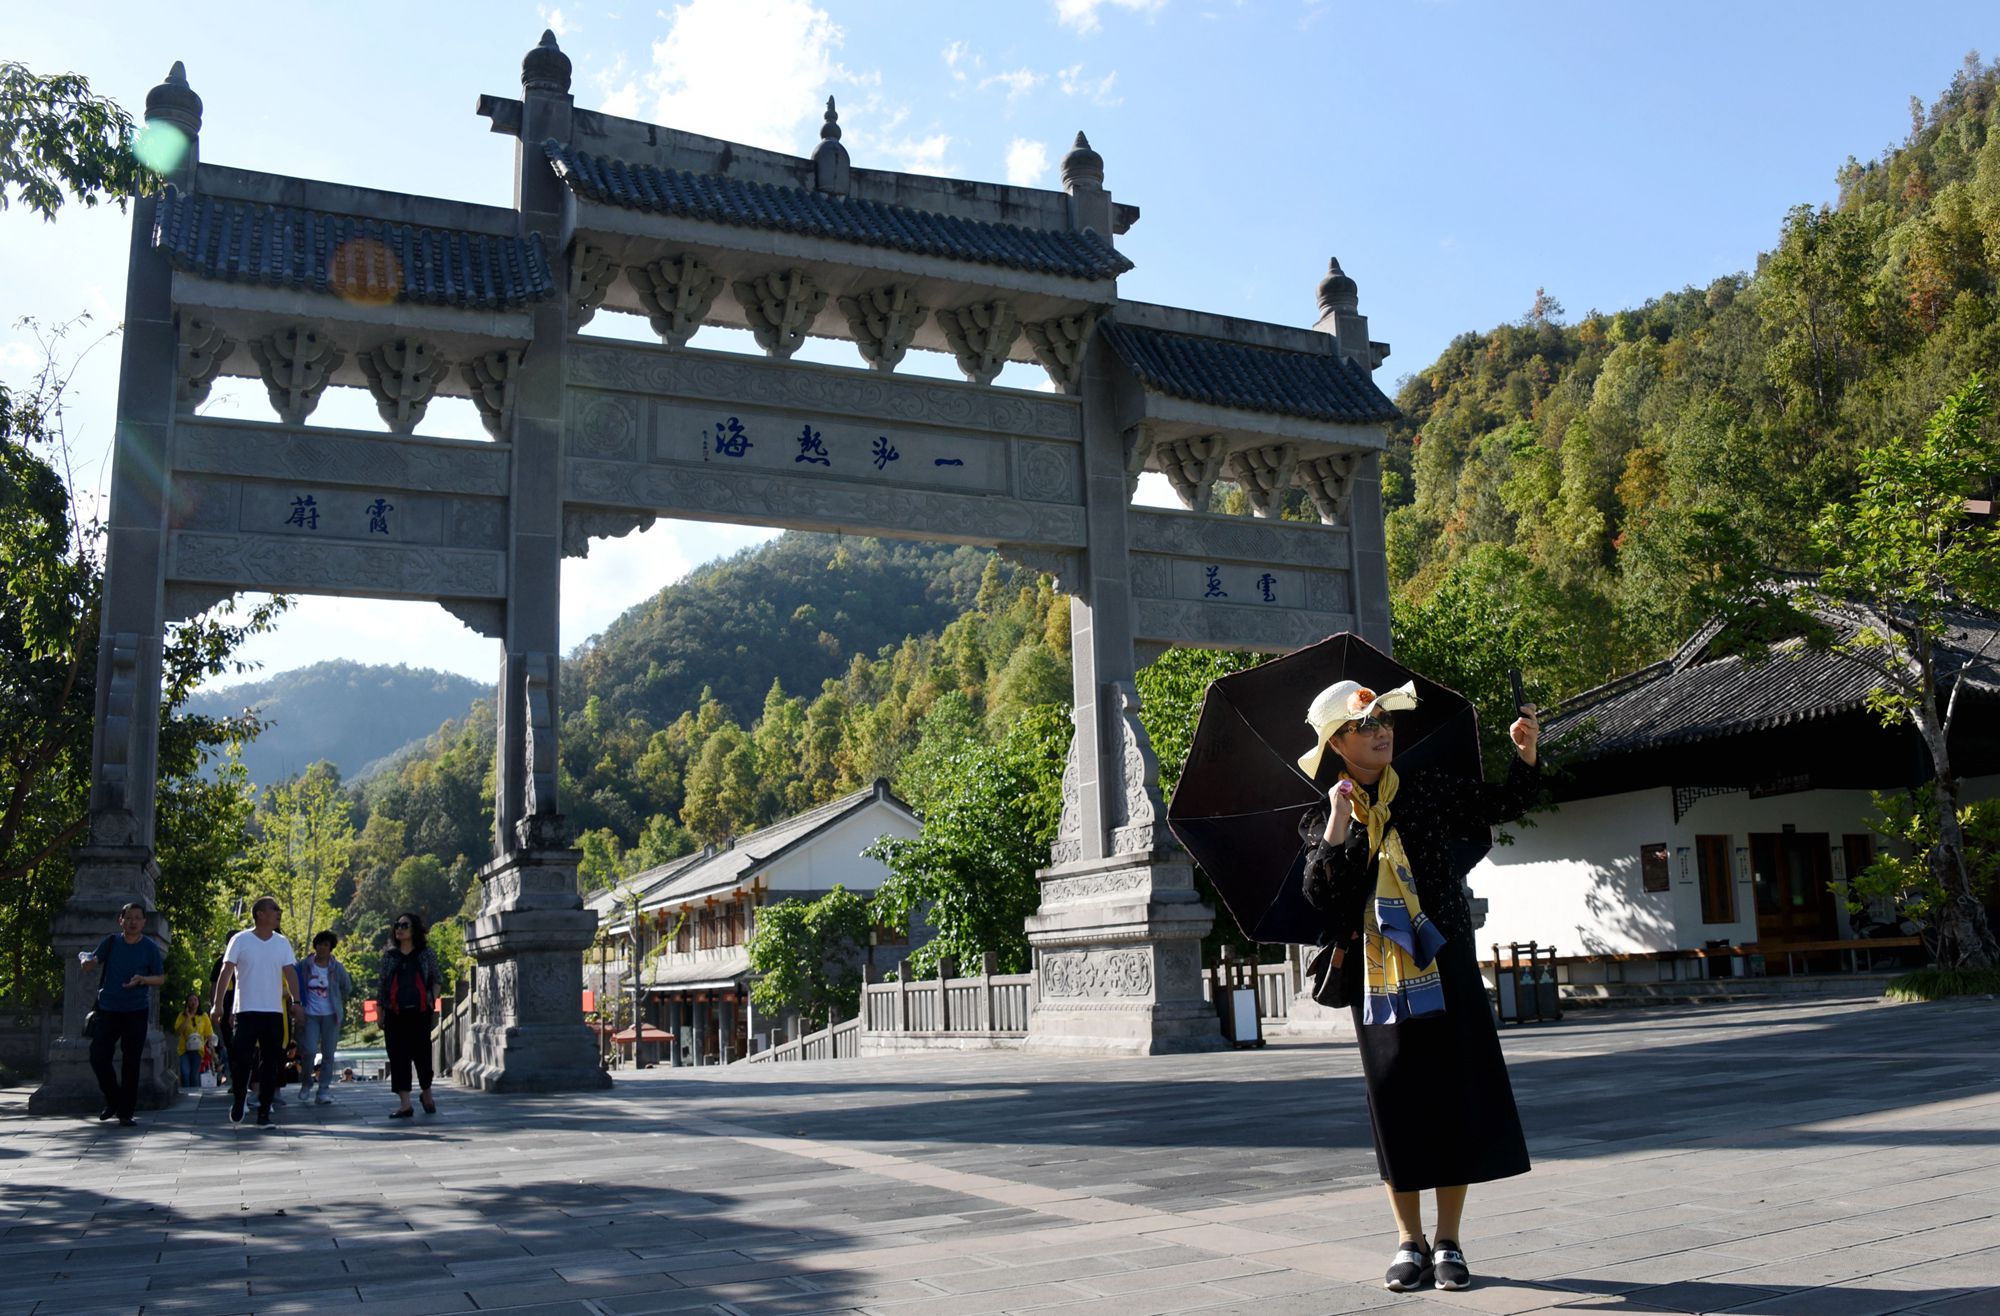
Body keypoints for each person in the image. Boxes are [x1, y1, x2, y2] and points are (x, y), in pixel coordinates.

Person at [1297, 679, 1542, 1294]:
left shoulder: (1427, 788)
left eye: (1384, 721)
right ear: (1337, 744)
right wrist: (1336, 821)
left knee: (1453, 1094)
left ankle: (1451, 1240)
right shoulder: (1322, 815)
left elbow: (1506, 804)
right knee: (1396, 1101)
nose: (1381, 731)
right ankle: (1409, 1240)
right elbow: (1321, 895)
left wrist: (1527, 751)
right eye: (1364, 726)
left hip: (1445, 960)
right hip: (1378, 978)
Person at [212, 897, 302, 1127]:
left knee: (271, 1063)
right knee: (242, 1061)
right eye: (275, 909)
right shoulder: (240, 940)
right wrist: (218, 1004)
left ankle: (264, 1111)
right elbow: (226, 972)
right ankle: (240, 1099)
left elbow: (291, 973)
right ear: (260, 914)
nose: (279, 912)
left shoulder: (282, 943)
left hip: (273, 1013)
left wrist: (297, 1001)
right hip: (246, 1011)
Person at [80, 902, 166, 1127]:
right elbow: (92, 960)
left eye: (137, 918)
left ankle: (126, 1112)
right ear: (121, 920)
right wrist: (86, 962)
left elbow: (160, 978)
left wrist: (143, 980)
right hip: (108, 1009)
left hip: (136, 1010)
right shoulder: (111, 942)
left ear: (144, 922)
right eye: (128, 918)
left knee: (131, 1062)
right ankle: (113, 1099)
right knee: (97, 1056)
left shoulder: (149, 947)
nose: (133, 922)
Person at [376, 912, 443, 1120]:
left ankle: (427, 1094)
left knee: (422, 1055)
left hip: (420, 1012)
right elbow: (382, 986)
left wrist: (433, 997)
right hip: (394, 1013)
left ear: (414, 928)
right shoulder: (390, 956)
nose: (399, 928)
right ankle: (405, 1105)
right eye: (397, 925)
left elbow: (436, 978)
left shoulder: (426, 953)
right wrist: (380, 1013)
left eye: (404, 925)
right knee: (398, 1058)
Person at [295, 930, 353, 1105]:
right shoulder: (304, 965)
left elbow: (347, 987)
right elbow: (294, 982)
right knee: (309, 1051)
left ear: (331, 948)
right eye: (319, 944)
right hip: (310, 1015)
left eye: (326, 945)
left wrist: (335, 997)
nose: (322, 948)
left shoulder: (336, 967)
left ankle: (323, 1090)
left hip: (331, 1016)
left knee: (328, 1054)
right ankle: (306, 1084)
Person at [171, 992, 214, 1089]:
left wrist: (211, 1048)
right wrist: (187, 1018)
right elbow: (178, 1031)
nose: (193, 1002)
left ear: (198, 1002)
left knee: (194, 1075)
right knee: (185, 1073)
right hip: (184, 1050)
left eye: (195, 1000)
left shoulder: (204, 1016)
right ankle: (185, 1094)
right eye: (190, 1000)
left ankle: (195, 1094)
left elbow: (208, 1033)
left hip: (198, 1050)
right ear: (187, 1003)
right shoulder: (182, 1016)